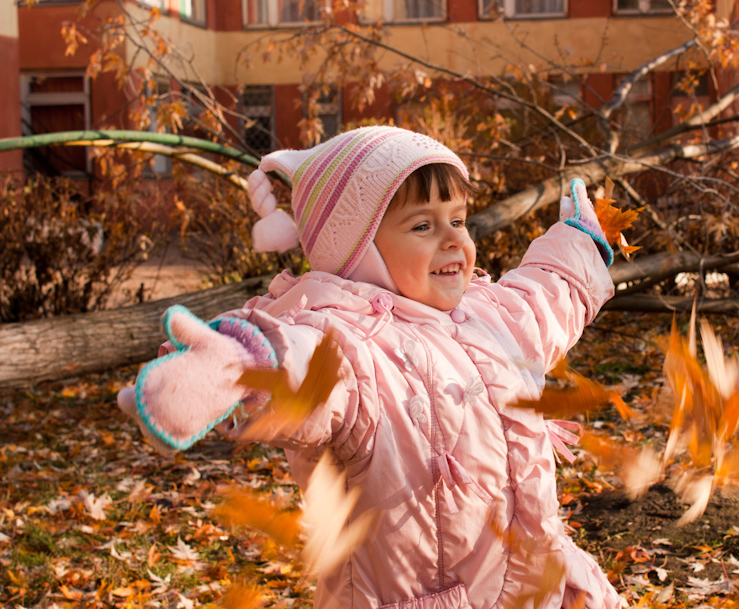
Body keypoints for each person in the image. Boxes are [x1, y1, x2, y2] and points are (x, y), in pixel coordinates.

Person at [117, 125, 622, 609]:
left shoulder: (487, 314)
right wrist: (238, 365)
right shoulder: (349, 348)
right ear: (357, 250)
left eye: (459, 219)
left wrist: (578, 243)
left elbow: (543, 297)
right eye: (423, 225)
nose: (453, 240)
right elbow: (298, 367)